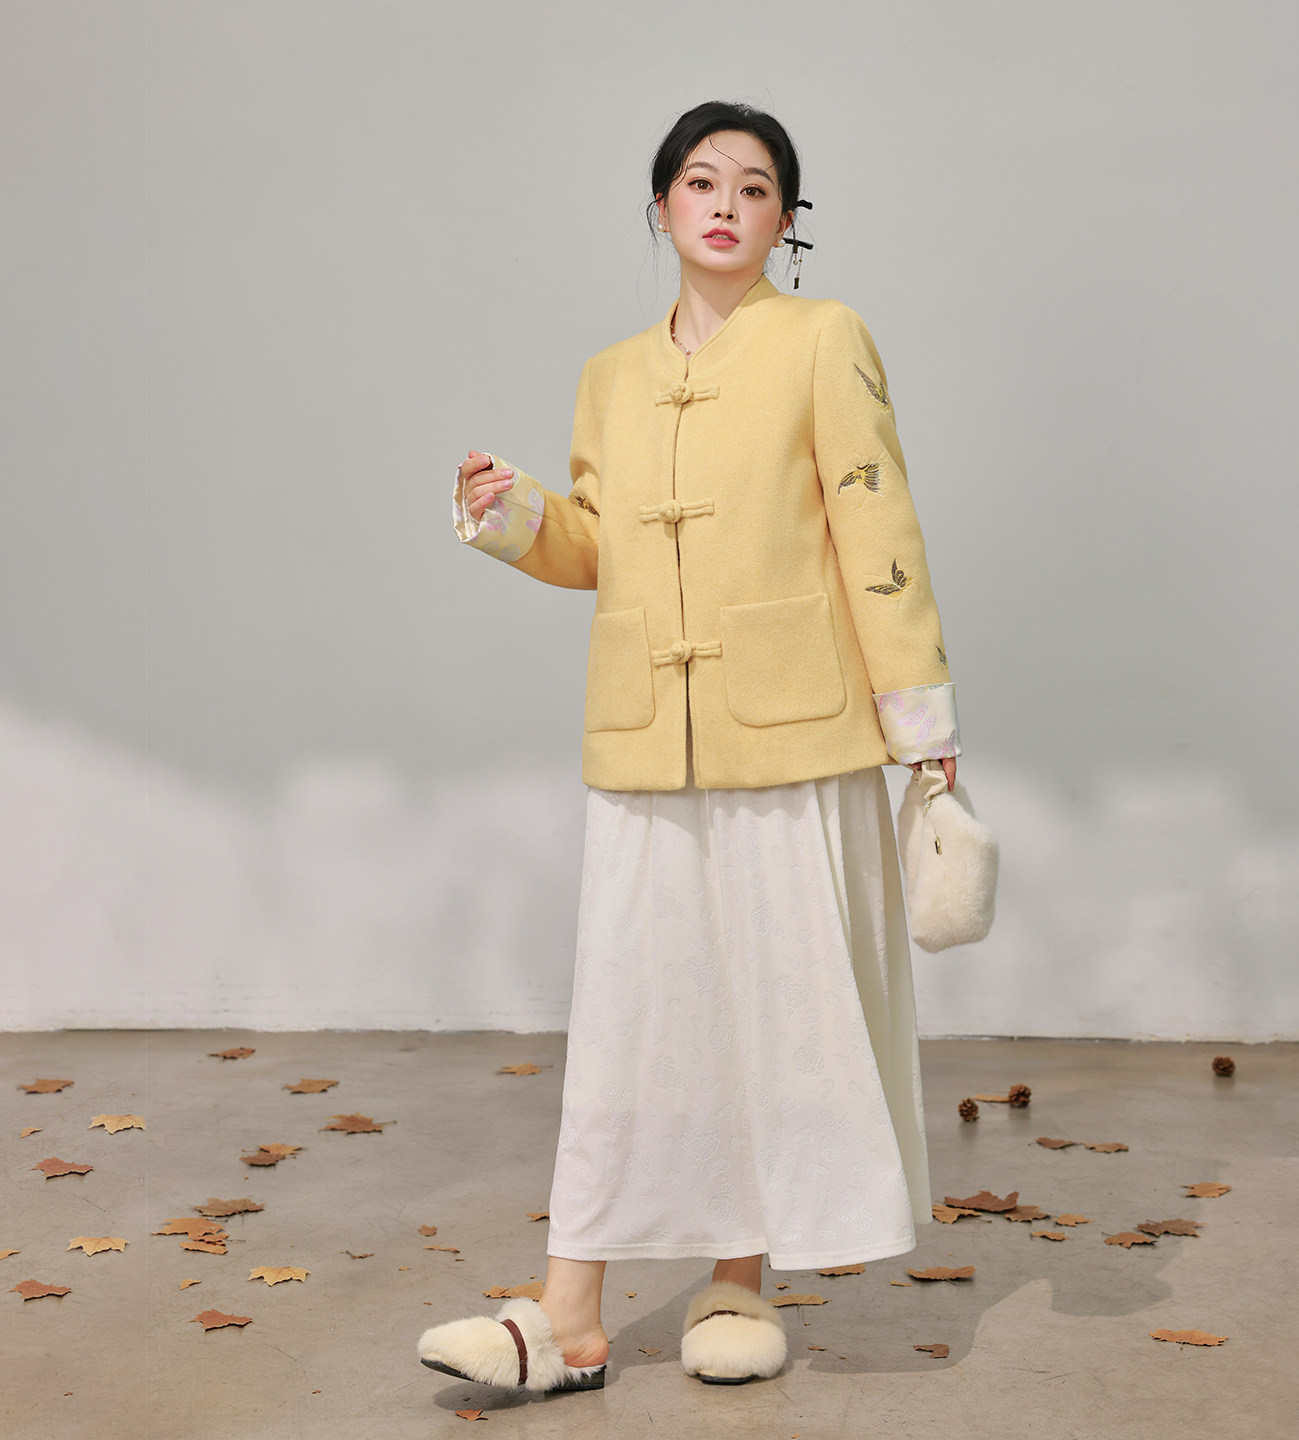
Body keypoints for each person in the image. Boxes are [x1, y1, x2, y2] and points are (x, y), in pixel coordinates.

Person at [418, 99, 960, 1397]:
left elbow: (878, 533)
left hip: (794, 730)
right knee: (633, 1022)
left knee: (771, 1010)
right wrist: (516, 514)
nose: (726, 204)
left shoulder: (825, 340)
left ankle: (738, 1279)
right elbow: (598, 542)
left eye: (756, 187)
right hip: (645, 738)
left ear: (786, 221)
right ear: (661, 205)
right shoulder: (612, 373)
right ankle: (568, 1317)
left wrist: (921, 730)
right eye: (702, 182)